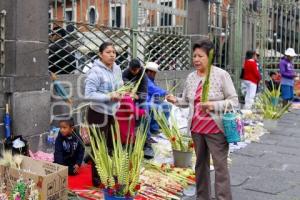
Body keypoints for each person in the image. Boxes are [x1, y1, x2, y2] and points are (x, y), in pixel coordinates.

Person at [166, 39, 238, 200]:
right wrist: (175, 100)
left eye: (200, 56)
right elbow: (186, 101)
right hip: (197, 130)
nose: (196, 59)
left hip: (216, 130)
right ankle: (202, 196)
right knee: (200, 166)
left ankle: (223, 197)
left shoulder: (221, 75)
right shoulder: (191, 77)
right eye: (194, 56)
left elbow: (233, 101)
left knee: (220, 167)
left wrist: (213, 105)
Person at [85, 42, 123, 186]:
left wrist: (122, 92)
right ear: (100, 55)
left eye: (114, 52)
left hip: (112, 113)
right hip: (97, 114)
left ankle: (109, 172)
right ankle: (97, 179)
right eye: (108, 52)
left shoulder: (117, 69)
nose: (112, 54)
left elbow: (120, 85)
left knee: (110, 146)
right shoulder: (95, 71)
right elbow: (89, 94)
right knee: (98, 148)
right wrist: (109, 96)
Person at [122, 59, 155, 159]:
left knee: (146, 117)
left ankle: (147, 144)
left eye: (136, 70)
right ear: (129, 68)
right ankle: (127, 143)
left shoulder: (143, 76)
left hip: (140, 99)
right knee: (126, 118)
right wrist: (129, 88)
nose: (134, 72)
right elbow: (123, 84)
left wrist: (136, 95)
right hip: (127, 99)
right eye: (132, 70)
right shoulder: (125, 73)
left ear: (140, 68)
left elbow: (144, 95)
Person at [145, 62, 171, 134]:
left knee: (167, 105)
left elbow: (155, 90)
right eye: (154, 73)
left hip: (152, 100)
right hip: (145, 101)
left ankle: (163, 125)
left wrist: (163, 96)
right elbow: (153, 89)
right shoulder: (145, 79)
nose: (155, 75)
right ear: (149, 72)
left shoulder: (151, 80)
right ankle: (154, 128)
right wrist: (165, 92)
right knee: (156, 107)